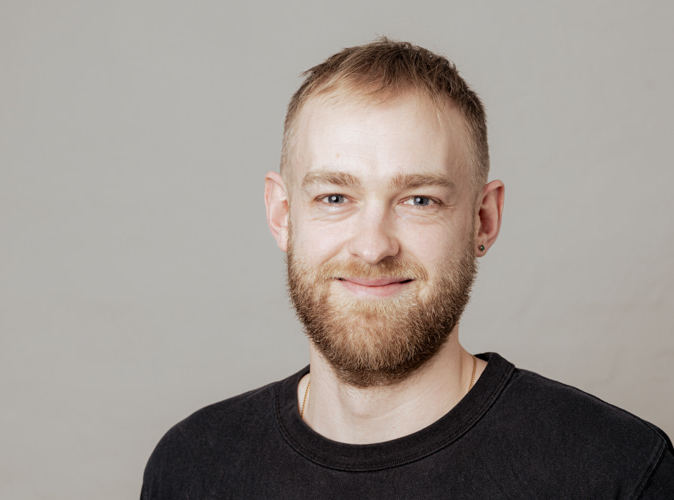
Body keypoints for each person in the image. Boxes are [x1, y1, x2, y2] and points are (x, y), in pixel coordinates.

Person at [141, 39, 674, 498]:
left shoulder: (618, 471)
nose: (373, 247)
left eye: (419, 200)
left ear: (483, 220)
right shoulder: (191, 468)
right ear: (282, 215)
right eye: (334, 197)